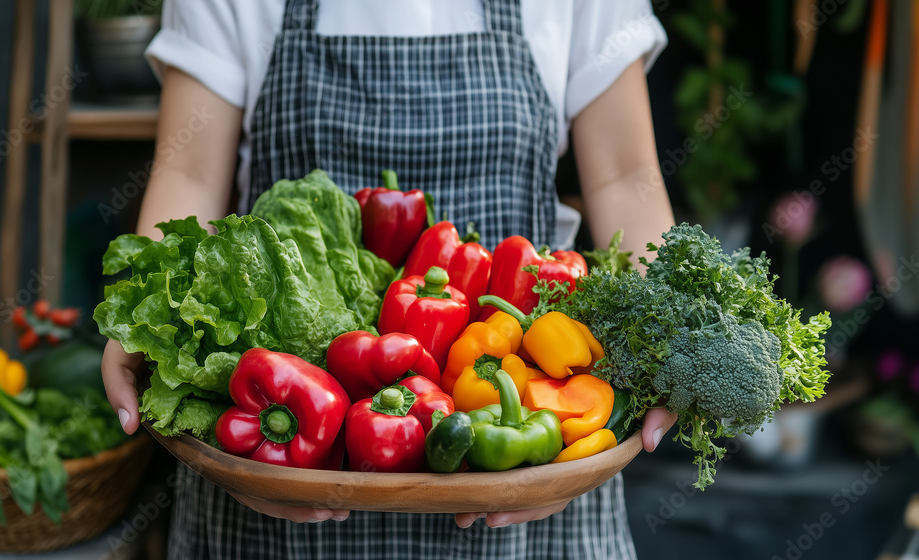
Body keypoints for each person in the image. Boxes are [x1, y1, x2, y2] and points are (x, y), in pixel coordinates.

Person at [102, 1, 679, 558]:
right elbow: (190, 170)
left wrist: (667, 332)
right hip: (272, 444)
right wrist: (147, 320)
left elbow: (626, 177)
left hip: (537, 435)